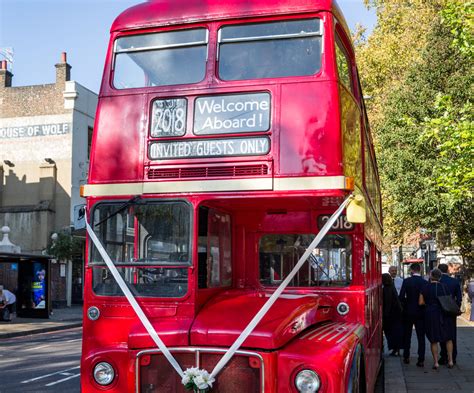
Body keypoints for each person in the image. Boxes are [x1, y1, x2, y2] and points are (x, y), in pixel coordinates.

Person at [419, 268, 455, 369]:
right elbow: (450, 299)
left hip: (431, 314)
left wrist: (429, 304)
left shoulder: (425, 287)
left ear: (431, 276)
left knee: (434, 339)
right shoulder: (445, 287)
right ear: (440, 277)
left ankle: (436, 362)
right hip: (445, 314)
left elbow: (420, 302)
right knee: (448, 338)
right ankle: (451, 360)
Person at [399, 262, 428, 367]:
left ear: (411, 270)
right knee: (421, 336)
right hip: (421, 312)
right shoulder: (424, 282)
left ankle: (406, 356)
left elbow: (401, 297)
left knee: (407, 335)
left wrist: (406, 303)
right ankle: (421, 359)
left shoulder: (407, 281)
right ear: (419, 270)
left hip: (408, 312)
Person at [438, 263, 462, 365]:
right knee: (452, 334)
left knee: (441, 333)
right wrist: (455, 308)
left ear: (438, 271)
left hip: (439, 311)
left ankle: (443, 356)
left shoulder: (437, 282)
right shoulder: (454, 281)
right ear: (447, 270)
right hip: (451, 311)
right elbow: (459, 298)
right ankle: (453, 356)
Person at [382, 273, 403, 356]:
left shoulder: (386, 289)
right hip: (396, 314)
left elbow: (387, 303)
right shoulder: (392, 287)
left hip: (390, 315)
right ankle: (396, 349)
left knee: (390, 332)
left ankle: (394, 348)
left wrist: (385, 315)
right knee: (396, 332)